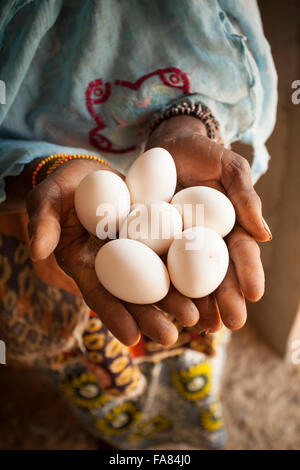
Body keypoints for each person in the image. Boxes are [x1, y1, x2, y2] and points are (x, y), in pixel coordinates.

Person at [0, 0, 277, 449]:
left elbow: (219, 45)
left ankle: (185, 430)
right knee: (93, 352)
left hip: (155, 194)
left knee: (194, 324)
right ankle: (125, 437)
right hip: (44, 209)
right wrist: (42, 169)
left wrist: (186, 124)